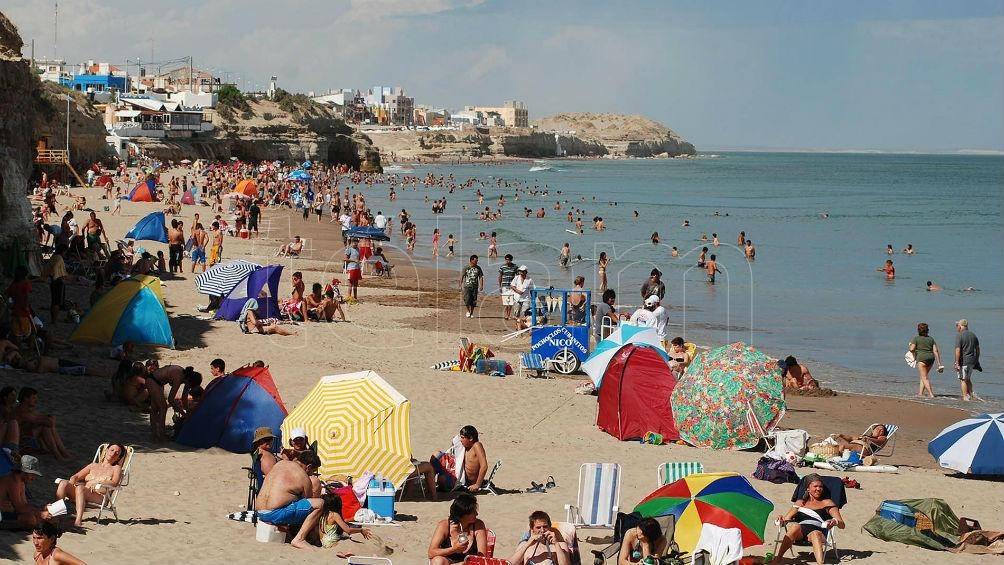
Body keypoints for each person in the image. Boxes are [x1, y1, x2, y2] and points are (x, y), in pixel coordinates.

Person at [255, 450, 325, 550]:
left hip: (260, 512)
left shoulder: (279, 464)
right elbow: (308, 501)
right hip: (274, 513)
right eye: (313, 471)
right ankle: (299, 539)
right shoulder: (303, 476)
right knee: (320, 504)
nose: (312, 474)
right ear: (308, 466)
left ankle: (290, 533)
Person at [772, 475, 845, 565]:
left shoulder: (827, 502)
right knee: (795, 526)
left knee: (815, 533)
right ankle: (778, 559)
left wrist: (835, 521)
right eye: (815, 486)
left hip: (819, 531)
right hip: (800, 533)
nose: (819, 489)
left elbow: (842, 525)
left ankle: (820, 563)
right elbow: (785, 521)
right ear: (808, 488)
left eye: (820, 486)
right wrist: (781, 519)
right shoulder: (800, 503)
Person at [53, 443, 126, 526]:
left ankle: (78, 520)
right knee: (63, 483)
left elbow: (115, 483)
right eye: (112, 450)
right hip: (83, 492)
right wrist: (72, 482)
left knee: (80, 488)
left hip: (100, 496)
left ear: (119, 458)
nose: (113, 454)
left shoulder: (116, 468)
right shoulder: (93, 465)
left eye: (117, 453)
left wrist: (98, 483)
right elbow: (76, 476)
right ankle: (56, 516)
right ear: (106, 450)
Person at [415, 426, 488, 501]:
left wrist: (477, 485)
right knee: (436, 455)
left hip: (463, 481)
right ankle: (429, 486)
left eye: (462, 438)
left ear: (471, 438)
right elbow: (454, 450)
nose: (460, 440)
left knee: (441, 479)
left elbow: (484, 466)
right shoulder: (466, 446)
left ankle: (432, 489)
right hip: (458, 470)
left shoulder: (477, 445)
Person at [143, 362, 202, 442]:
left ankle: (155, 435)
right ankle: (161, 435)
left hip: (158, 382)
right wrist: (183, 413)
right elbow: (171, 399)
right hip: (152, 381)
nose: (189, 387)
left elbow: (184, 397)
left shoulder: (186, 377)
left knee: (155, 408)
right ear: (190, 381)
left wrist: (187, 411)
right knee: (162, 408)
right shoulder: (179, 376)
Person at [427, 493, 489, 564]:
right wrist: (454, 549)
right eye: (473, 512)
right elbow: (431, 553)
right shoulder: (445, 525)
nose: (477, 514)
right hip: (449, 562)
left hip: (469, 563)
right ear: (463, 515)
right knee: (437, 561)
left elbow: (482, 557)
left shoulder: (478, 525)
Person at [16, 388, 72, 461]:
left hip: (25, 439)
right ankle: (59, 454)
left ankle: (62, 452)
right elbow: (46, 422)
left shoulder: (27, 410)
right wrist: (49, 420)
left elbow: (42, 418)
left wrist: (49, 418)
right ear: (26, 398)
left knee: (46, 425)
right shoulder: (22, 412)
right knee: (45, 427)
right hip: (21, 445)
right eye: (33, 398)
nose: (36, 401)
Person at [0, 455, 49, 529]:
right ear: (24, 471)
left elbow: (24, 504)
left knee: (37, 518)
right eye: (32, 474)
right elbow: (19, 507)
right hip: (2, 513)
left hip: (8, 511)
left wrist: (41, 510)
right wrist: (40, 513)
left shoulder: (21, 482)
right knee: (31, 520)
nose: (33, 478)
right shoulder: (12, 481)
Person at [909, 322, 944, 398]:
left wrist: (911, 347)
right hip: (931, 359)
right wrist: (939, 363)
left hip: (922, 359)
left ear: (918, 330)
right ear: (927, 330)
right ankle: (920, 393)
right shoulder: (931, 339)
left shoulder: (916, 338)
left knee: (924, 377)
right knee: (923, 376)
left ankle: (931, 394)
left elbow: (912, 349)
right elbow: (936, 351)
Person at [954, 319, 981, 401]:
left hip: (964, 361)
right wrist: (976, 360)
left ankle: (965, 397)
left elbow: (958, 350)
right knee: (968, 379)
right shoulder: (973, 335)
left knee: (963, 379)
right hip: (972, 361)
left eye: (957, 325)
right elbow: (978, 350)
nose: (956, 327)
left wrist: (957, 363)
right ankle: (971, 395)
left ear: (961, 326)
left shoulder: (960, 335)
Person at [42, 244, 69, 324]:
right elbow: (55, 268)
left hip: (53, 281)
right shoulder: (59, 258)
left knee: (54, 301)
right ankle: (54, 319)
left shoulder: (54, 257)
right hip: (58, 281)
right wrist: (56, 275)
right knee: (57, 302)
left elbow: (47, 268)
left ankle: (53, 319)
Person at [510, 266, 535, 330]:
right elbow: (512, 286)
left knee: (524, 313)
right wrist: (517, 291)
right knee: (516, 313)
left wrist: (533, 298)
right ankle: (517, 326)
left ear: (526, 272)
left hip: (526, 298)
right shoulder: (516, 278)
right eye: (520, 271)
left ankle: (522, 325)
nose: (521, 272)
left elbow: (532, 290)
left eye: (522, 271)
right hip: (517, 298)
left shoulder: (529, 280)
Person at [498, 254, 518, 321]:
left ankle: (508, 315)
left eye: (508, 259)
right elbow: (500, 276)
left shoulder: (515, 267)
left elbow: (518, 276)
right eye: (506, 259)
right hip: (504, 286)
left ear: (511, 260)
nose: (507, 261)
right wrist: (499, 286)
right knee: (506, 301)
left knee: (511, 301)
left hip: (512, 287)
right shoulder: (502, 267)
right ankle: (506, 314)